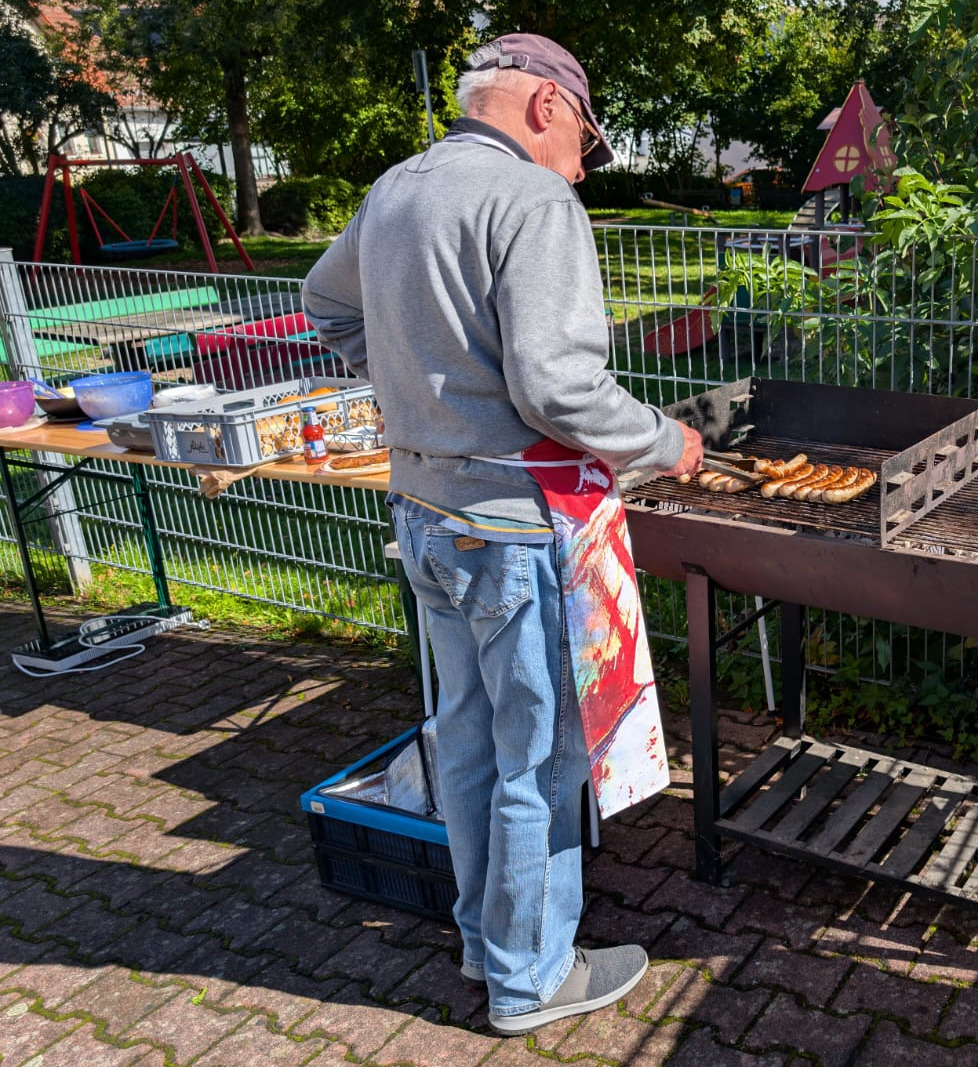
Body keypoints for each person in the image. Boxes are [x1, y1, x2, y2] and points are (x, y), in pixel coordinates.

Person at [302, 33, 703, 1034]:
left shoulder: (397, 186)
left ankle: (488, 942)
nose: (581, 164)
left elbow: (324, 302)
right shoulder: (532, 200)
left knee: (473, 744)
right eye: (583, 139)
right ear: (542, 106)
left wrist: (414, 396)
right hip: (512, 532)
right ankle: (530, 979)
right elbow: (557, 384)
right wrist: (663, 440)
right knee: (540, 758)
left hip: (427, 514)